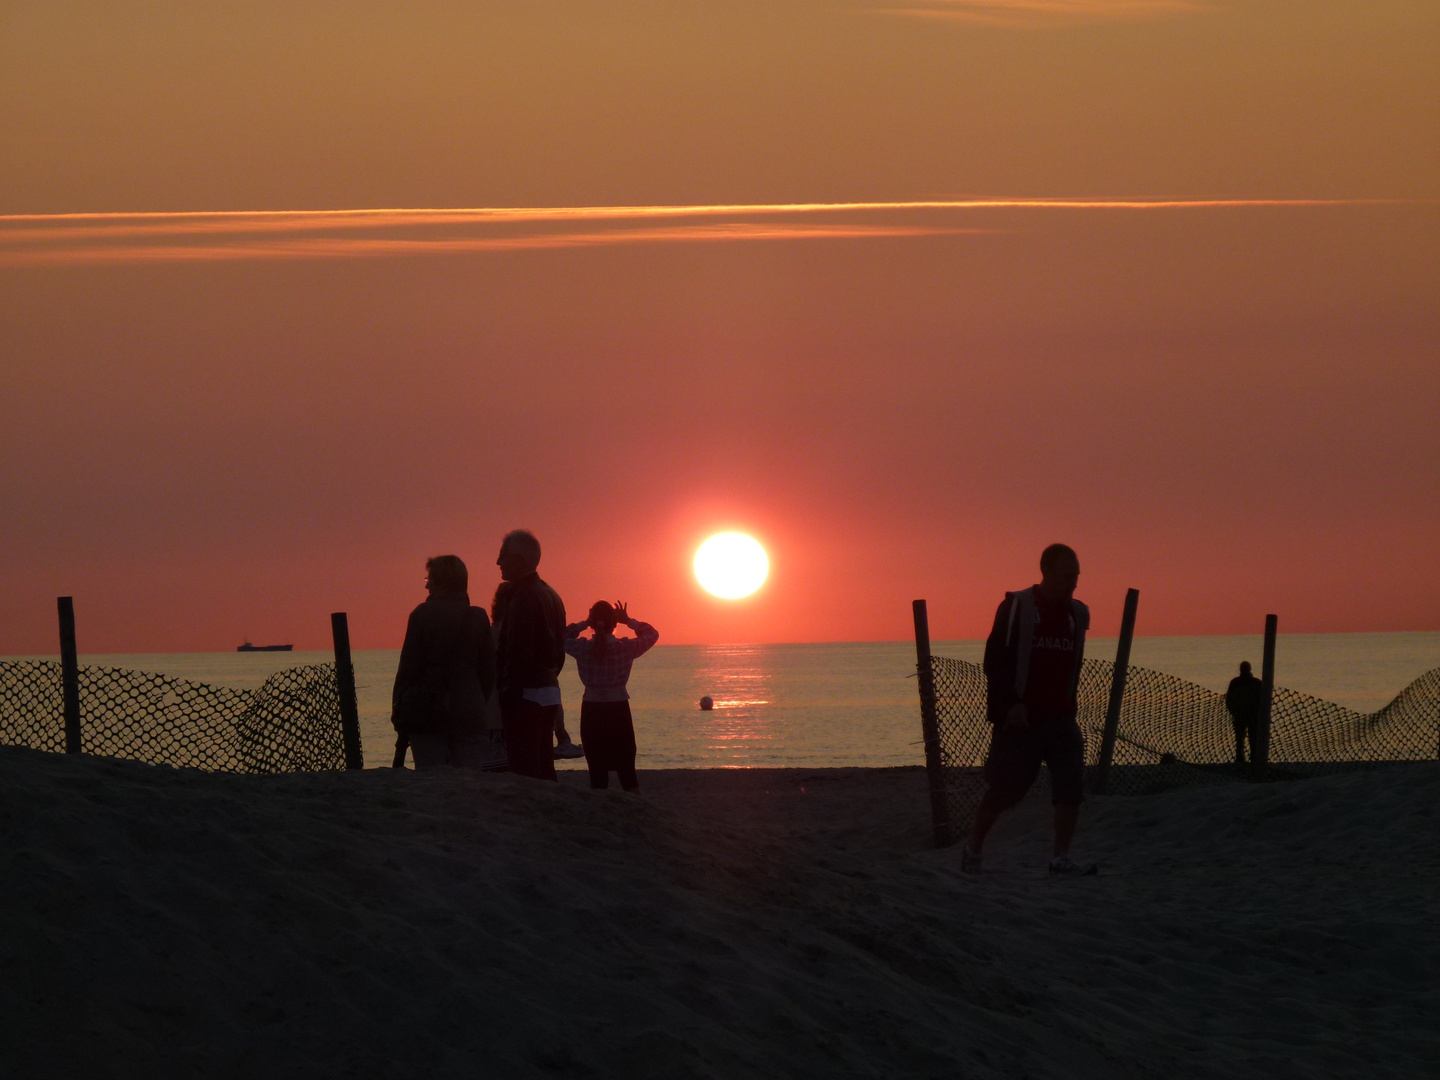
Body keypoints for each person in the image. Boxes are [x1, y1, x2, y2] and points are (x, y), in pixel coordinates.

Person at [962, 543, 1097, 876]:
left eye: (1076, 576)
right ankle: (973, 848)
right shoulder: (1017, 607)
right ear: (1047, 572)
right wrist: (1010, 706)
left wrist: (1069, 704)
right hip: (1022, 721)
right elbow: (995, 661)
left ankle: (1060, 857)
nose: (1073, 582)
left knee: (1071, 786)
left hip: (1061, 717)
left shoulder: (1077, 614)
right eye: (1067, 575)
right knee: (1007, 790)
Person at [390, 555, 497, 769]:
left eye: (429, 579)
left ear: (440, 582)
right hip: (470, 712)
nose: (427, 585)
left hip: (428, 713)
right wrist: (474, 698)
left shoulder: (422, 614)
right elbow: (488, 673)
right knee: (470, 781)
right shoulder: (478, 617)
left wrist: (398, 711)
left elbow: (408, 669)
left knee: (432, 778)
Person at [493, 529, 566, 781]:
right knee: (544, 764)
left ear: (520, 559)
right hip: (548, 691)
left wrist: (507, 691)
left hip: (526, 695)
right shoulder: (551, 594)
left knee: (524, 768)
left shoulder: (523, 596)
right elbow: (559, 650)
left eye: (503, 556)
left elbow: (517, 649)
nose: (498, 562)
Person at [564, 601, 658, 791]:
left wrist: (585, 623)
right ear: (614, 624)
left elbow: (559, 637)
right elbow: (652, 634)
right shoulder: (625, 648)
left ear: (592, 623)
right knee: (627, 772)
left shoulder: (582, 648)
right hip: (618, 710)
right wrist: (628, 621)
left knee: (597, 774)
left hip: (591, 710)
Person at [493, 579, 583, 760]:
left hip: (518, 698)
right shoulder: (547, 607)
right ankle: (562, 736)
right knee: (540, 756)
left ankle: (561, 736)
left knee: (527, 757)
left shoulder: (503, 632)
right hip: (541, 693)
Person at [1225, 660, 1264, 771]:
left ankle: (1241, 758)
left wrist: (1233, 711)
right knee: (1252, 738)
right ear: (1250, 669)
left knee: (1241, 738)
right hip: (1251, 715)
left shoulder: (1236, 682)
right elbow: (1263, 699)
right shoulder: (1256, 682)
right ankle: (1253, 758)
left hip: (1242, 714)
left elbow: (1229, 699)